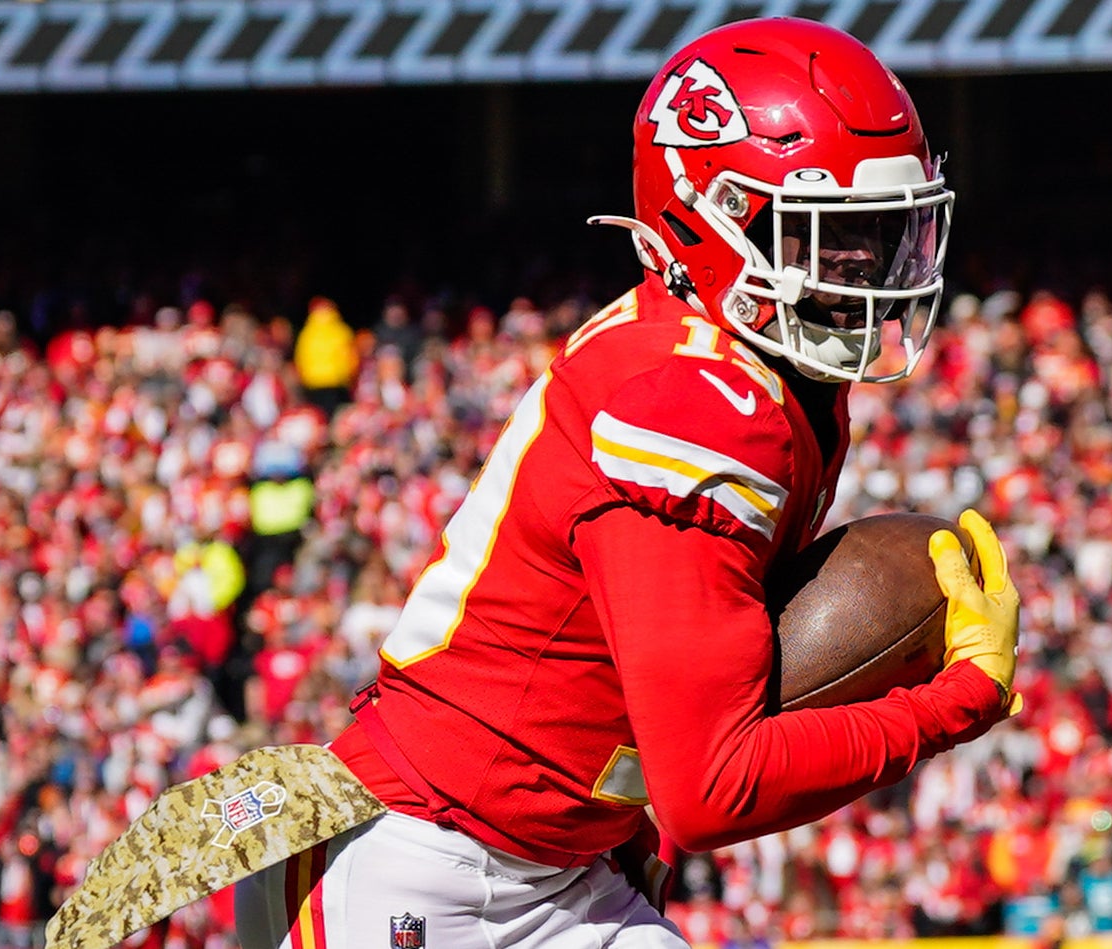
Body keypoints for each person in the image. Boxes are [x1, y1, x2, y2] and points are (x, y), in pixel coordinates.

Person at [236, 17, 1020, 949]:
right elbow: (711, 790)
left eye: (882, 229)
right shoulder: (694, 406)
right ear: (710, 216)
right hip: (426, 862)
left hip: (557, 865)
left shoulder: (757, 369)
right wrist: (951, 703)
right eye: (834, 232)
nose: (867, 265)